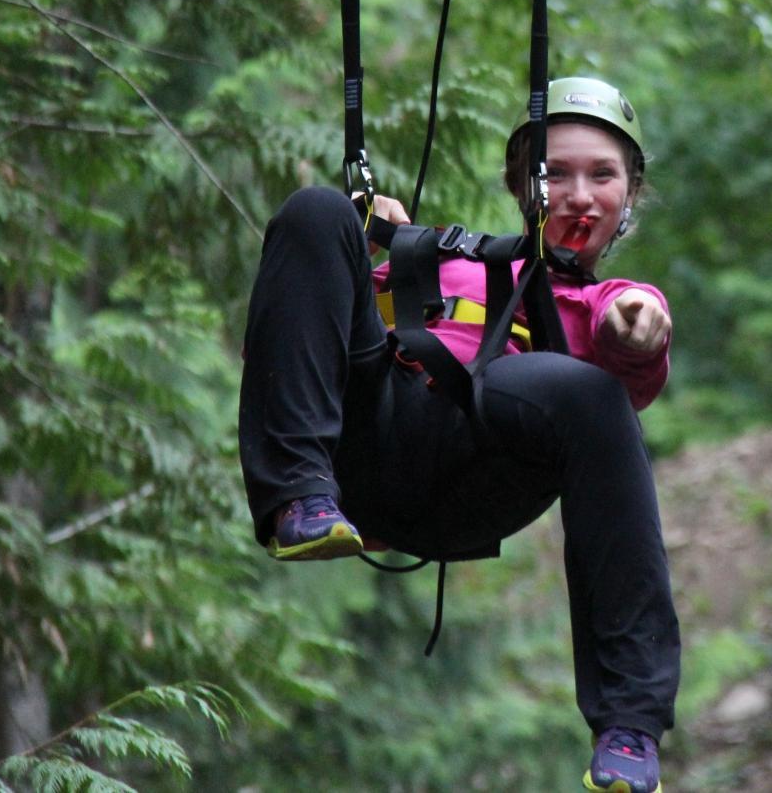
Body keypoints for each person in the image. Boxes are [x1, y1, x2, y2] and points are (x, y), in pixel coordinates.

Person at [237, 77, 677, 793]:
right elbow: (285, 344)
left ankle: (629, 723)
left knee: (590, 390)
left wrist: (638, 324)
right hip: (371, 440)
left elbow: (632, 336)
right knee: (316, 211)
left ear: (629, 198)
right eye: (555, 173)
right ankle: (297, 499)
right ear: (521, 186)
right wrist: (366, 246)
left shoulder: (606, 303)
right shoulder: (448, 262)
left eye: (603, 175)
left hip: (483, 459)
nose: (580, 194)